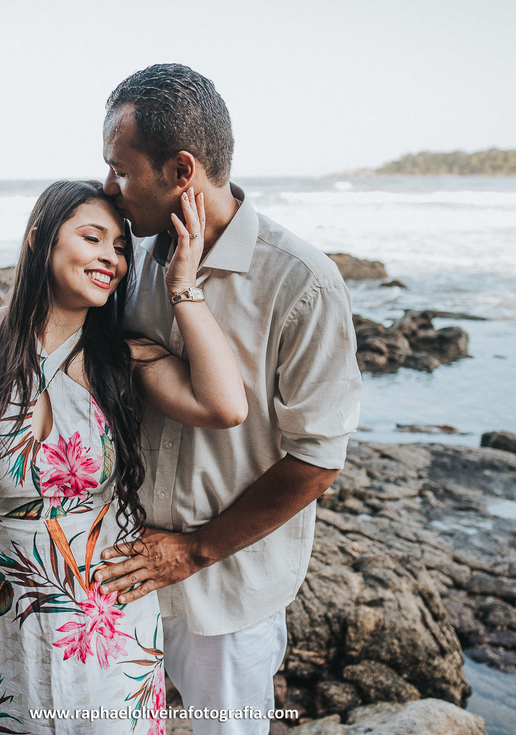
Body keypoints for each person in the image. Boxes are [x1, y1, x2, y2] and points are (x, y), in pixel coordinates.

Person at [0, 179, 247, 735]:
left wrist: (183, 285)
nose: (110, 258)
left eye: (121, 247)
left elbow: (224, 406)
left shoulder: (123, 357)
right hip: (7, 601)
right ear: (38, 241)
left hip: (110, 607)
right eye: (92, 238)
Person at [94, 64, 363, 734]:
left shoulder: (301, 282)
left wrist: (195, 549)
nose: (109, 187)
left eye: (121, 170)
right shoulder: (130, 257)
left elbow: (317, 460)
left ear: (181, 170)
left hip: (226, 593)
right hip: (122, 567)